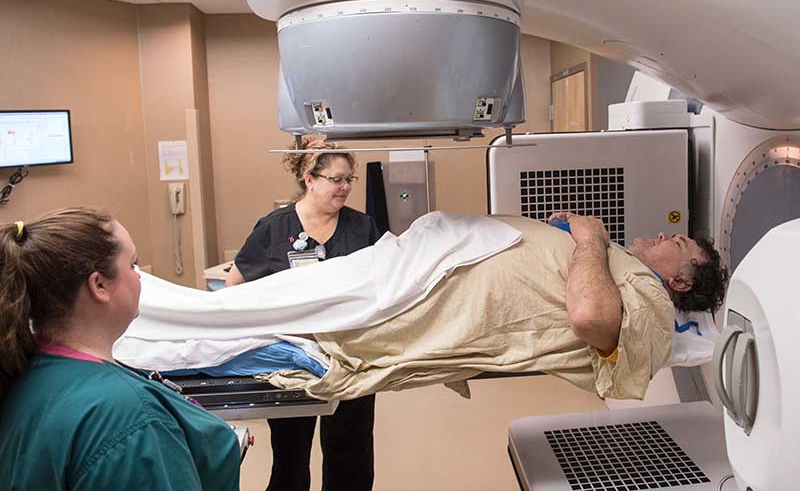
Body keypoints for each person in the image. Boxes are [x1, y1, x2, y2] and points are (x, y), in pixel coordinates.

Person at [261, 211, 728, 403]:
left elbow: (591, 317)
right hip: (422, 267)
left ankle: (197, 334)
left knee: (267, 317)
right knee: (268, 304)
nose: (667, 234)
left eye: (679, 242)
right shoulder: (619, 265)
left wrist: (587, 240)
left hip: (417, 297)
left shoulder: (652, 306)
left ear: (680, 281)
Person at [0, 207, 240, 491]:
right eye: (133, 265)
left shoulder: (27, 372)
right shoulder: (130, 419)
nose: (138, 277)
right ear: (99, 284)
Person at [225, 138, 381, 491]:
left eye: (349, 180)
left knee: (351, 456)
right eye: (336, 179)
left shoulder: (362, 227)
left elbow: (383, 283)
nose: (344, 188)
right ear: (310, 178)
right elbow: (234, 286)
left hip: (350, 358)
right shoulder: (274, 228)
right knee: (291, 457)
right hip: (292, 361)